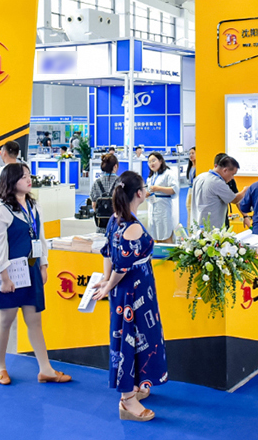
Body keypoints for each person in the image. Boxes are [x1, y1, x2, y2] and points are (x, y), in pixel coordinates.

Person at [0, 163, 71, 386]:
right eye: (23, 176)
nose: (28, 179)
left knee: (34, 321)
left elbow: (40, 238)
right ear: (11, 181)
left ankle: (46, 369)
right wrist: (4, 277)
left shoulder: (33, 205)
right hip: (10, 272)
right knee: (5, 320)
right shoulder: (2, 210)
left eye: (28, 175)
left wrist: (43, 265)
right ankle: (0, 368)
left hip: (31, 270)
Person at [92, 171, 166, 421]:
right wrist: (108, 284)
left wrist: (107, 280)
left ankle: (133, 386)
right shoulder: (131, 226)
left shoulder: (116, 219)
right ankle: (127, 399)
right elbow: (122, 266)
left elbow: (107, 253)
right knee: (128, 340)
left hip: (131, 291)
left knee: (133, 338)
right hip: (133, 292)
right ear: (139, 193)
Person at [190, 155, 244, 229]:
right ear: (225, 170)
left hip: (197, 224)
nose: (232, 178)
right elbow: (234, 199)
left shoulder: (200, 177)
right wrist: (246, 190)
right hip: (212, 228)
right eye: (232, 174)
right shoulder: (217, 182)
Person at [144, 152, 178, 242]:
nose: (151, 163)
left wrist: (158, 188)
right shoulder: (151, 177)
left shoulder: (168, 173)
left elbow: (174, 189)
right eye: (149, 162)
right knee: (155, 234)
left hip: (164, 206)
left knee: (166, 232)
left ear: (160, 161)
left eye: (153, 160)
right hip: (153, 206)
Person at [90, 153, 121, 233]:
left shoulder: (96, 183)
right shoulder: (121, 182)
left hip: (101, 225)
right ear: (115, 166)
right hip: (117, 224)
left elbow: (94, 205)